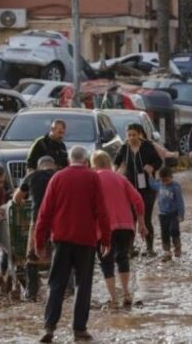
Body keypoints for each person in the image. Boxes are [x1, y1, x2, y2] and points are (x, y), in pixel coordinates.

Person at [35, 146, 110, 343]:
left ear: (69, 160)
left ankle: (49, 328)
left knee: (56, 284)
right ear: (86, 161)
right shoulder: (93, 178)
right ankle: (79, 329)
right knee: (83, 285)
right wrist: (106, 239)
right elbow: (101, 210)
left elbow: (44, 212)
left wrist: (39, 240)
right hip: (86, 241)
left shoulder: (57, 178)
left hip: (61, 240)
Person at [91, 151, 146, 308]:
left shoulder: (93, 179)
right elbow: (138, 200)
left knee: (106, 262)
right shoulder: (121, 179)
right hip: (125, 226)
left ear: (93, 165)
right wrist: (141, 223)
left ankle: (114, 298)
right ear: (109, 164)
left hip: (103, 229)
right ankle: (127, 293)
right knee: (123, 258)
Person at [113, 123, 162, 256]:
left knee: (146, 218)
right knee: (130, 218)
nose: (131, 138)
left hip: (146, 188)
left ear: (140, 134)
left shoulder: (148, 146)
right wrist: (117, 172)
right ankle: (130, 248)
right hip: (129, 187)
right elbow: (115, 162)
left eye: (134, 135)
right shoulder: (124, 148)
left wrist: (152, 167)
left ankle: (150, 248)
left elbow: (159, 161)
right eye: (129, 135)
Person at [13, 156, 57, 301]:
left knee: (32, 258)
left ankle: (31, 294)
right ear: (53, 166)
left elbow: (16, 199)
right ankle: (63, 292)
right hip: (58, 222)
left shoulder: (31, 176)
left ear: (39, 167)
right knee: (59, 256)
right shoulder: (59, 175)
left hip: (38, 220)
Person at [151, 167, 185, 262]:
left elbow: (180, 201)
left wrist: (181, 214)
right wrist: (150, 175)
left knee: (174, 230)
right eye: (163, 180)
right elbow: (152, 185)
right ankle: (167, 251)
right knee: (164, 233)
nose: (165, 182)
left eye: (167, 180)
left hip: (173, 213)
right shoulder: (160, 185)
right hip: (162, 214)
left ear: (171, 177)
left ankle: (177, 247)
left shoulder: (175, 187)